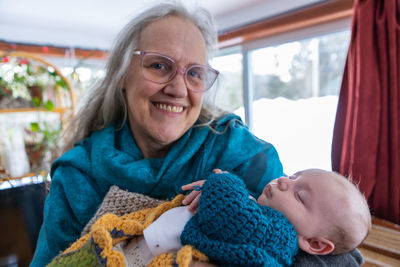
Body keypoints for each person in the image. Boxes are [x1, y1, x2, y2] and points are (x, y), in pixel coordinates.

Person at [31, 2, 364, 267]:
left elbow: (319, 253)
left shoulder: (243, 154)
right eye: (159, 65)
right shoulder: (77, 175)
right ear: (122, 75)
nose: (178, 89)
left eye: (194, 73)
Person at [135, 169, 371, 266]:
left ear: (314, 244)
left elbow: (232, 216)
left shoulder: (280, 237)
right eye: (293, 175)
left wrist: (224, 182)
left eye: (299, 196)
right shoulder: (271, 222)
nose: (283, 181)